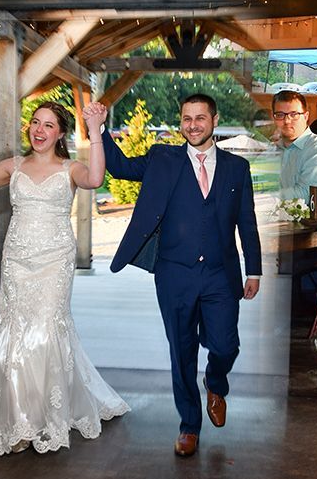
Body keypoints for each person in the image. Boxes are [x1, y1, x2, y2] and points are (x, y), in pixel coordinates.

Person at [0, 101, 129, 455]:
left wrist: (96, 130)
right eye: (35, 123)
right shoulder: (14, 167)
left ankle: (42, 418)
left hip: (54, 260)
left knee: (44, 331)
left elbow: (96, 179)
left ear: (60, 133)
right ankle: (20, 419)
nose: (39, 130)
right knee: (17, 333)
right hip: (17, 261)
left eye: (48, 125)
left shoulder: (70, 168)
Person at [103, 94, 262, 457]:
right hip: (174, 273)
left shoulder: (237, 168)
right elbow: (121, 168)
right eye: (186, 119)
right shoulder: (163, 159)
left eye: (200, 118)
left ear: (214, 120)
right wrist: (98, 130)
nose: (192, 125)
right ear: (181, 123)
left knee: (225, 345)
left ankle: (215, 381)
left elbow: (247, 222)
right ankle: (189, 425)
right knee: (182, 350)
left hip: (221, 274)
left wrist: (254, 269)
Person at [276, 90, 317, 204]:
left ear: (306, 116)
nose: (287, 121)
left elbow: (305, 194)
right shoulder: (272, 150)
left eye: (294, 114)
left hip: (310, 221)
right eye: (280, 115)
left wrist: (262, 196)